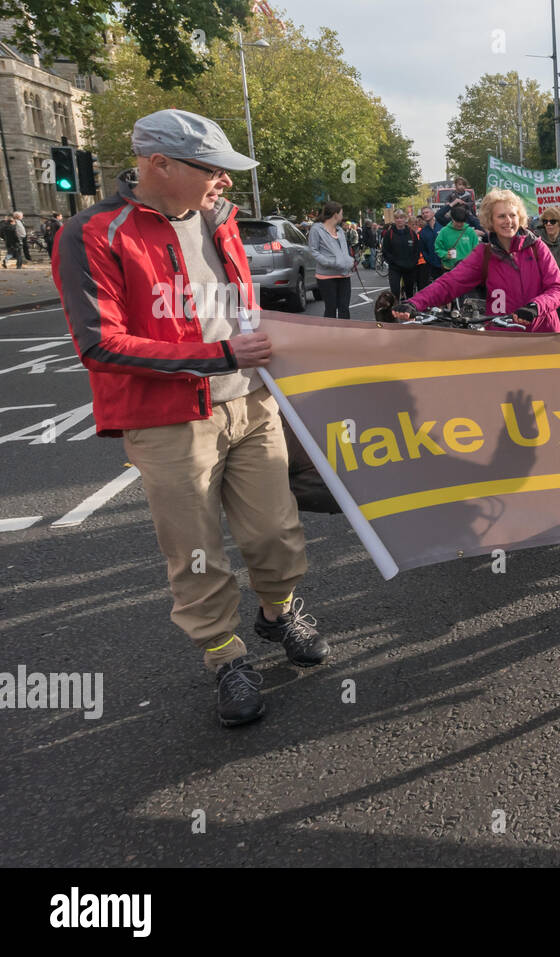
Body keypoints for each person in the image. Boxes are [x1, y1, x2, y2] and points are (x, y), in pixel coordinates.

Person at [50, 108, 328, 728]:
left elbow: (239, 306)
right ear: (159, 165)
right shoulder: (94, 233)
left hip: (250, 401)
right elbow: (99, 343)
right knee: (196, 550)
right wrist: (218, 354)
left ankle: (278, 612)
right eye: (212, 169)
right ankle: (224, 656)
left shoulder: (220, 220)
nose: (224, 182)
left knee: (275, 532)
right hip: (169, 419)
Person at [391, 188, 560, 333]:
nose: (508, 221)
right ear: (490, 221)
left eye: (512, 215)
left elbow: (558, 289)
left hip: (543, 337)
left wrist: (535, 307)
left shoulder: (537, 247)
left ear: (519, 217)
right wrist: (414, 302)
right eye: (501, 216)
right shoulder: (485, 254)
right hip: (502, 342)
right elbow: (449, 283)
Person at [309, 200, 354, 319]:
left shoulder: (340, 231)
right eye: (341, 214)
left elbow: (344, 251)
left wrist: (349, 260)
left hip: (344, 274)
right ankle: (331, 335)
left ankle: (345, 335)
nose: (342, 216)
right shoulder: (316, 229)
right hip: (326, 276)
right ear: (335, 215)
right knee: (331, 308)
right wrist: (328, 262)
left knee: (344, 308)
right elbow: (313, 250)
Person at [381, 209, 421, 299]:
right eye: (397, 218)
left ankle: (409, 310)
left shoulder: (411, 233)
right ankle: (395, 310)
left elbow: (417, 250)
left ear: (405, 219)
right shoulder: (389, 234)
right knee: (395, 291)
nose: (399, 220)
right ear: (394, 220)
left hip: (409, 267)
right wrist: (392, 261)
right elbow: (385, 251)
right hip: (395, 268)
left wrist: (413, 262)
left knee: (410, 292)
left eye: (401, 218)